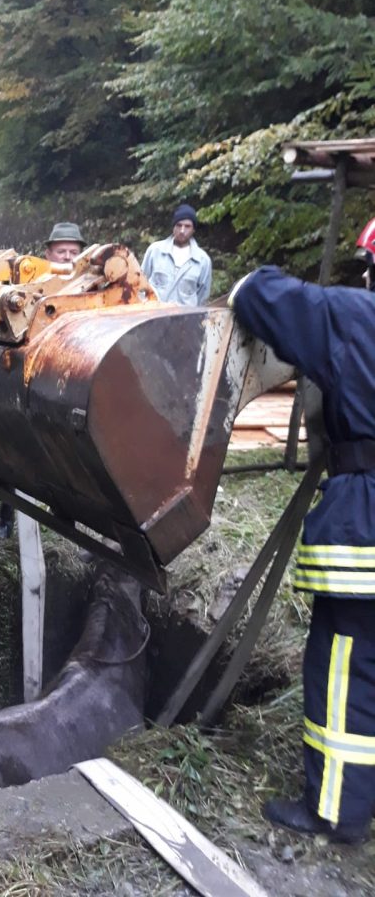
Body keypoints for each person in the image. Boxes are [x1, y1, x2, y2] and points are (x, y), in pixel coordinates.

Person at [227, 218, 375, 846]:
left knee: (347, 668)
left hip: (366, 523)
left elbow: (256, 294)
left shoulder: (353, 317)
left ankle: (335, 809)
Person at [0, 221, 87, 540]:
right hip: (25, 377)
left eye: (73, 252)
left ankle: (65, 516)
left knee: (62, 454)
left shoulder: (91, 287)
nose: (68, 257)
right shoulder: (31, 284)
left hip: (64, 383)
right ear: (48, 253)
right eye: (61, 251)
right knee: (14, 452)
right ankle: (7, 516)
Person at [141, 204, 212, 305]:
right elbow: (140, 284)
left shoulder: (202, 260)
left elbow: (202, 298)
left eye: (187, 226)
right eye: (179, 225)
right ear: (173, 227)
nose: (182, 230)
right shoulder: (155, 251)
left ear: (193, 229)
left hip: (186, 315)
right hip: (155, 312)